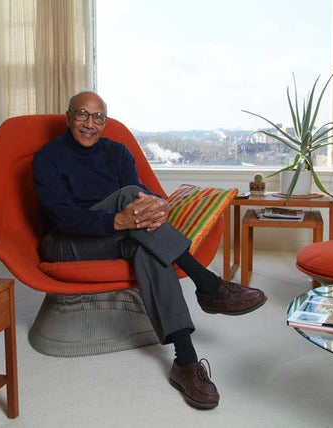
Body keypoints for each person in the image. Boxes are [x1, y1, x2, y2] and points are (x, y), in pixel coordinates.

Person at [32, 91, 267, 409]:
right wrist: (118, 220)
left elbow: (142, 199)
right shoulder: (48, 157)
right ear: (68, 116)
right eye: (82, 115)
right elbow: (64, 216)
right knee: (128, 197)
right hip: (65, 241)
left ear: (106, 122)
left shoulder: (118, 153)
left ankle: (185, 361)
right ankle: (208, 285)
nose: (90, 124)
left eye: (98, 117)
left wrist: (155, 208)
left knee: (147, 247)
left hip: (117, 236)